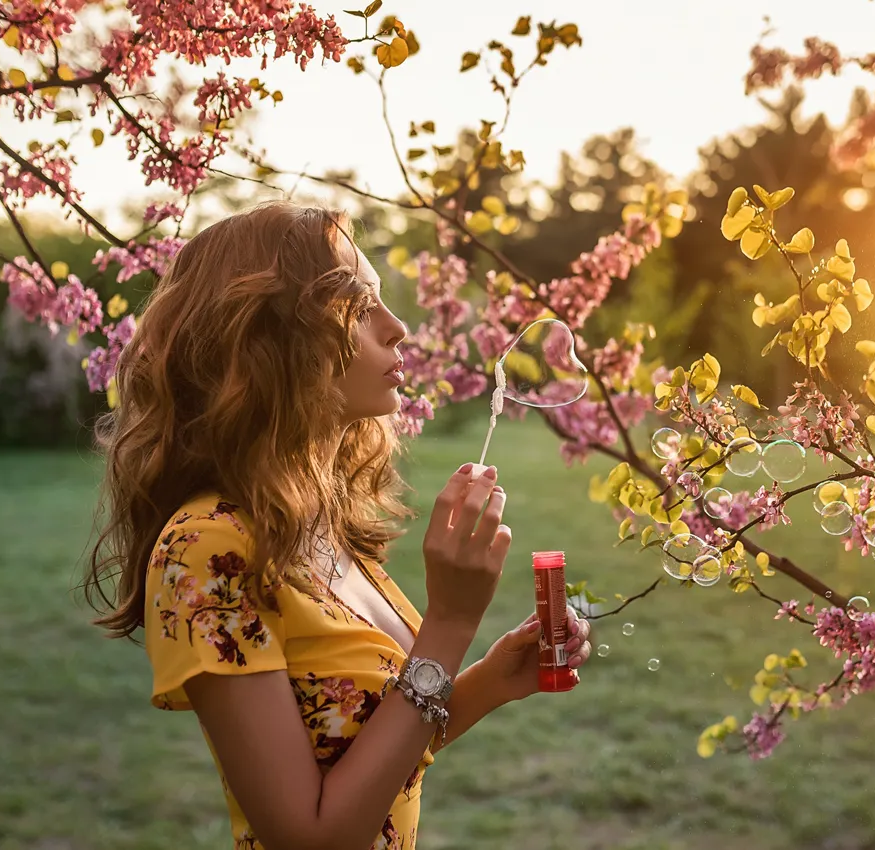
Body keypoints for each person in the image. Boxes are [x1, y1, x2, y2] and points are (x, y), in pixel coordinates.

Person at [81, 200, 593, 850]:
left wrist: (490, 681)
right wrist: (450, 625)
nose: (399, 327)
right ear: (271, 340)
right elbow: (309, 835)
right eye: (357, 304)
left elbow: (362, 746)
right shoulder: (209, 545)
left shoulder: (306, 524)